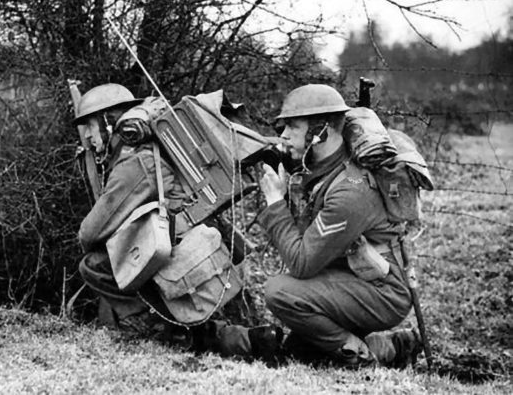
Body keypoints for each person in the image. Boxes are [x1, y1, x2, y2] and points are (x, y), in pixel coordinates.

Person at [73, 83, 281, 361]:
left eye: (89, 125)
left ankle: (159, 331)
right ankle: (241, 340)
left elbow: (91, 233)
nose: (86, 135)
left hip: (183, 253)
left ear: (109, 121)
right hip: (195, 244)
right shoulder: (145, 149)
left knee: (95, 265)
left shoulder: (134, 162)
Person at [257, 84, 422, 368]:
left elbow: (301, 262)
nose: (284, 135)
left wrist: (275, 201)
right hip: (353, 275)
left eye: (292, 127)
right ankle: (395, 346)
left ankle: (359, 354)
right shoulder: (325, 164)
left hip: (383, 291)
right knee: (301, 349)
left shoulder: (350, 190)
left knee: (280, 292)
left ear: (321, 131)